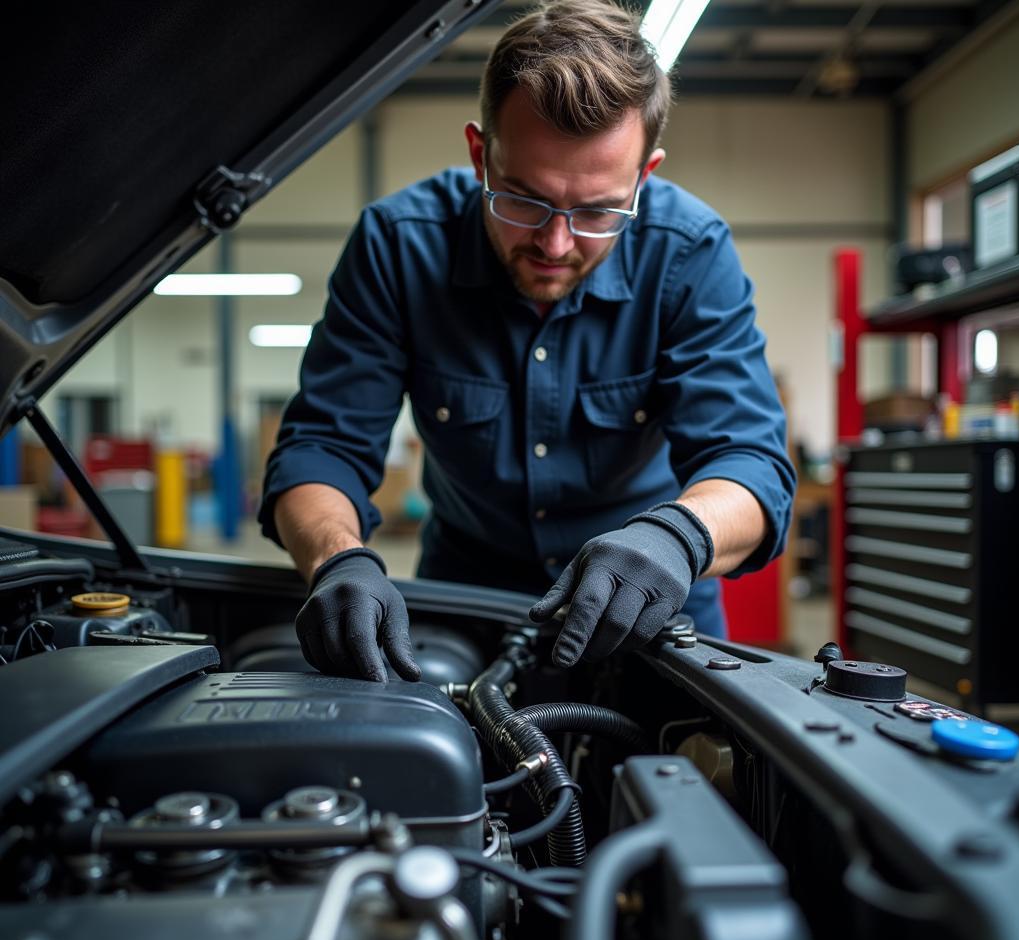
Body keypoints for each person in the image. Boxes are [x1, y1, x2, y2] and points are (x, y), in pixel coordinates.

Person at [259, 0, 795, 683]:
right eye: (524, 200)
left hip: (648, 607)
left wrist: (676, 537)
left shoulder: (689, 254)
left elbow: (751, 464)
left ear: (645, 176)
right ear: (481, 154)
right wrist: (340, 559)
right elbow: (322, 446)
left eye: (598, 211)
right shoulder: (399, 245)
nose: (556, 243)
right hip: (464, 604)